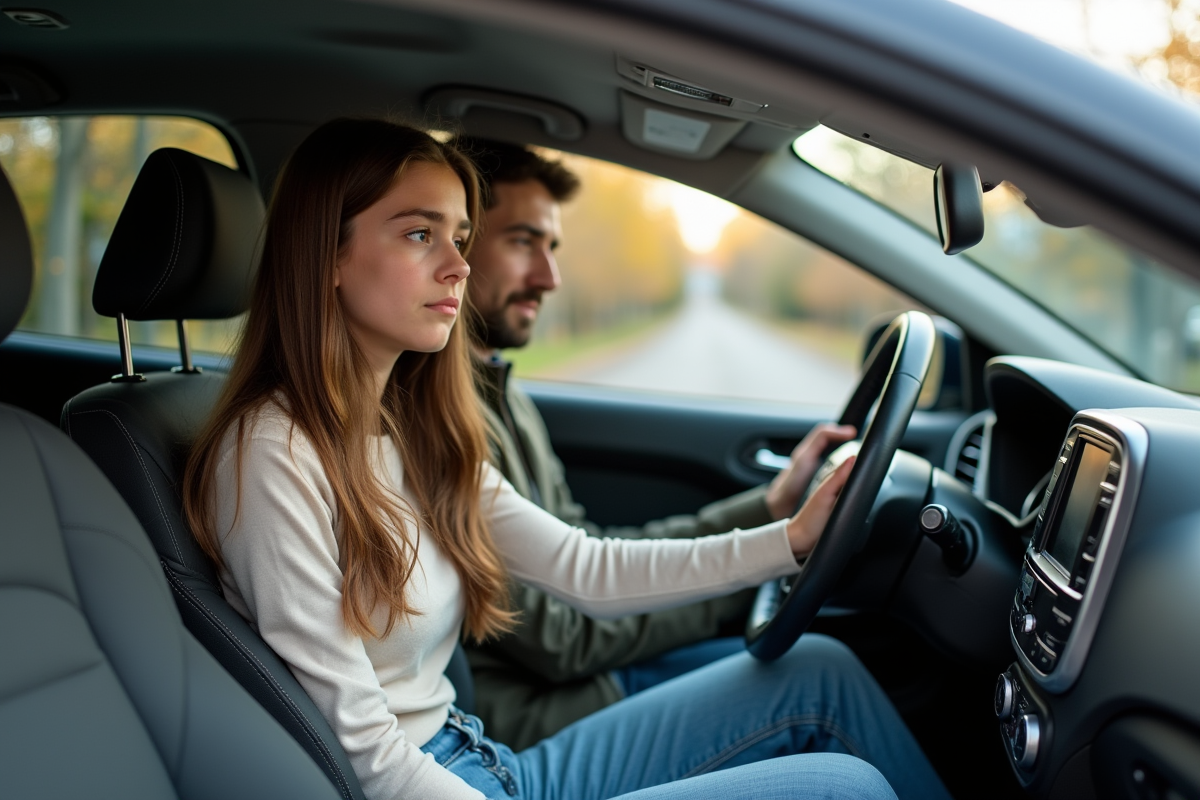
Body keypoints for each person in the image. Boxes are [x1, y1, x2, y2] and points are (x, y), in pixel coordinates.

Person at [183, 118, 948, 800]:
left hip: (481, 759)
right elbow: (357, 748)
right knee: (843, 789)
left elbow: (587, 569)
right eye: (420, 234)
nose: (457, 265)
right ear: (329, 258)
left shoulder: (411, 430)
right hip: (435, 786)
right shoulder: (271, 454)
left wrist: (789, 541)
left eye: (459, 235)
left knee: (821, 673)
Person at [458, 139, 858, 749]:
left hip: (578, 684)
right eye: (521, 240)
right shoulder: (441, 421)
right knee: (825, 685)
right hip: (529, 722)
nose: (550, 276)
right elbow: (568, 631)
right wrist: (757, 561)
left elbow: (585, 553)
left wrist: (767, 513)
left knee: (824, 665)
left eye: (552, 247)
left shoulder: (501, 393)